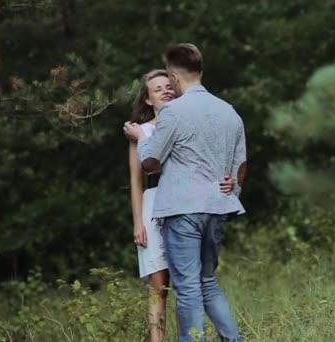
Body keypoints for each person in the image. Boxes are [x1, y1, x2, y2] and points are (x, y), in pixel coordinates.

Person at [124, 43, 247, 342]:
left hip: (182, 210)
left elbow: (151, 163)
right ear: (200, 72)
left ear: (176, 79)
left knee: (188, 286)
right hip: (218, 208)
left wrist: (142, 139)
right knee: (208, 282)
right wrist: (235, 188)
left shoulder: (173, 112)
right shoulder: (228, 111)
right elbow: (241, 164)